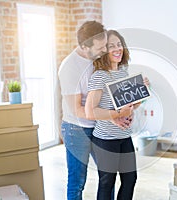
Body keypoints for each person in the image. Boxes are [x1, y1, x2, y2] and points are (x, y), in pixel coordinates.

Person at [58, 21, 131, 200]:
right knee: (77, 181)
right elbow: (76, 109)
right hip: (77, 129)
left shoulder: (99, 59)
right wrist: (113, 116)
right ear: (84, 46)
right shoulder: (70, 67)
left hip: (101, 128)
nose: (105, 50)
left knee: (108, 177)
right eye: (101, 47)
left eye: (105, 44)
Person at [85, 30, 141, 200]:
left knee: (130, 179)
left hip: (124, 136)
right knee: (107, 182)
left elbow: (129, 105)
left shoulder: (123, 72)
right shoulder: (99, 76)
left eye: (119, 44)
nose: (117, 49)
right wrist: (117, 114)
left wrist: (141, 93)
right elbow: (90, 112)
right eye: (111, 46)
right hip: (105, 139)